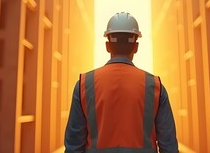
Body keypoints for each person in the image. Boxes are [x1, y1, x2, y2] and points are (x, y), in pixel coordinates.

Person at [64, 12, 178, 153]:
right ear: (136, 47)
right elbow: (169, 146)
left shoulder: (84, 84)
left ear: (107, 46)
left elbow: (73, 145)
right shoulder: (154, 86)